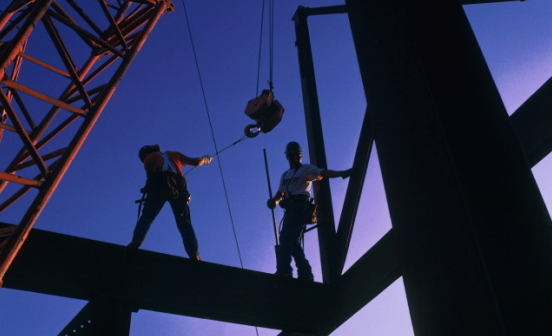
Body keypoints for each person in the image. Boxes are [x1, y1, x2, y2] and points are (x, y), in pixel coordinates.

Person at [267, 141, 352, 281]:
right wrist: (273, 201)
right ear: (287, 157)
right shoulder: (285, 175)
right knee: (293, 242)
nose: (295, 158)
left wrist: (341, 173)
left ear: (300, 156)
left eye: (297, 155)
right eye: (292, 155)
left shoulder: (306, 169)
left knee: (285, 237)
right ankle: (305, 273)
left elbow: (323, 173)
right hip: (290, 208)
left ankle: (284, 270)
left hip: (299, 206)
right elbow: (280, 194)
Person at [128, 144, 213, 261]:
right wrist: (204, 159)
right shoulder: (173, 155)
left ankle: (137, 240)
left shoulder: (148, 160)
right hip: (178, 187)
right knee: (184, 222)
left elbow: (150, 179)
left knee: (147, 216)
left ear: (145, 154)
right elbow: (196, 162)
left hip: (157, 187)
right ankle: (194, 254)